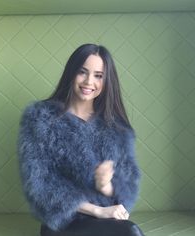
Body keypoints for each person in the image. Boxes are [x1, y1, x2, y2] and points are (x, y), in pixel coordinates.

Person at [17, 44, 144, 236]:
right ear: (71, 73)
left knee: (130, 231)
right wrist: (97, 210)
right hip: (61, 222)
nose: (88, 82)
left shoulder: (116, 127)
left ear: (106, 81)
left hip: (105, 220)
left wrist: (106, 186)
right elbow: (39, 185)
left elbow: (128, 186)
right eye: (82, 72)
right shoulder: (40, 119)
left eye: (98, 76)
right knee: (131, 232)